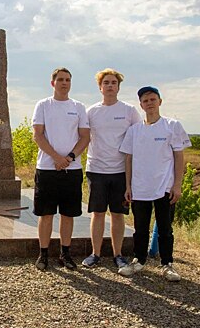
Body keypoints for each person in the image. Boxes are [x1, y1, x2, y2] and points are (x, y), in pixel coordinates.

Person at [120, 86, 191, 281]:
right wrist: (128, 186)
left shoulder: (172, 126)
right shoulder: (134, 131)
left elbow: (179, 157)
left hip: (165, 188)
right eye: (145, 101)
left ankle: (167, 264)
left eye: (153, 99)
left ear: (160, 101)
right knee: (140, 228)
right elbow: (128, 159)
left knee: (165, 228)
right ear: (141, 105)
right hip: (140, 188)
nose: (149, 103)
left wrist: (177, 185)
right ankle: (139, 260)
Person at [82, 68, 141, 275]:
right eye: (106, 82)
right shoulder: (91, 112)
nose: (110, 86)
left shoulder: (129, 111)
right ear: (100, 87)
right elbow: (83, 137)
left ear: (118, 86)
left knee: (117, 215)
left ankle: (118, 255)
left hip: (120, 171)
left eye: (113, 82)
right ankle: (95, 254)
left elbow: (138, 141)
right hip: (96, 169)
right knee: (98, 214)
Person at [32, 67, 90, 270]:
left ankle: (65, 254)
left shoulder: (79, 107)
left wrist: (70, 158)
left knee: (68, 214)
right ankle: (43, 254)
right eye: (60, 80)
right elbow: (38, 135)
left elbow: (85, 136)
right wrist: (56, 158)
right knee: (46, 214)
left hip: (71, 169)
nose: (64, 83)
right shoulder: (43, 105)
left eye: (68, 80)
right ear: (53, 83)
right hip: (47, 168)